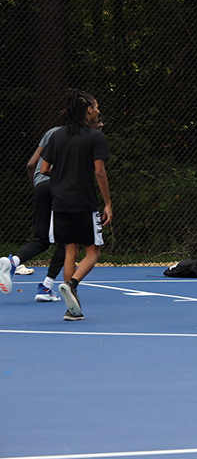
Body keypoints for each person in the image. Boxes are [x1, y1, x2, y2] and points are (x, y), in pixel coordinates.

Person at [0, 112, 106, 301]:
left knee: (42, 238)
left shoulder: (52, 133)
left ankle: (14, 262)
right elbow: (96, 170)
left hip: (42, 184)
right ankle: (48, 285)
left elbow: (32, 164)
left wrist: (38, 187)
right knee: (68, 241)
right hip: (65, 189)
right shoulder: (84, 136)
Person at [37, 89, 112, 322]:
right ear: (88, 110)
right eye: (96, 107)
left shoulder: (57, 136)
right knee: (93, 251)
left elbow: (43, 169)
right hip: (84, 201)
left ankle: (72, 309)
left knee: (70, 251)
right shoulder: (95, 136)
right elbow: (99, 171)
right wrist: (108, 204)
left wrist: (61, 176)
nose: (98, 110)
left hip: (60, 202)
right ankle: (72, 283)